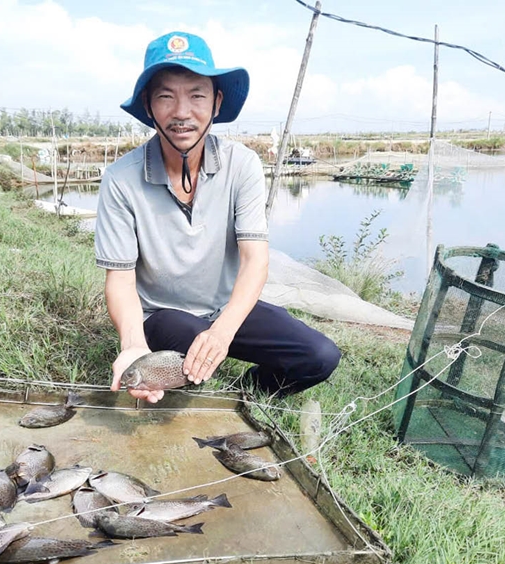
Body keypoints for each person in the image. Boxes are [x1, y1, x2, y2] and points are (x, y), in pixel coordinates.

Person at [95, 32, 340, 403]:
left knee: (319, 356)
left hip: (224, 308)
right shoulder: (120, 179)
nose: (181, 112)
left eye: (197, 95)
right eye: (165, 96)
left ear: (216, 102)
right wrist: (133, 345)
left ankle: (245, 395)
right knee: (184, 332)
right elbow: (121, 279)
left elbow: (255, 260)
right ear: (148, 106)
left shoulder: (242, 165)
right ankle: (183, 370)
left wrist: (222, 332)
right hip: (164, 316)